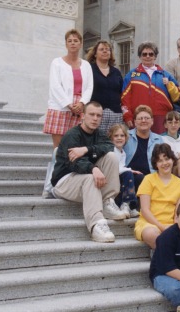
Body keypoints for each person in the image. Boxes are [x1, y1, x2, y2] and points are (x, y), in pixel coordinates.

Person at [51, 101, 127, 243]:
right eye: (91, 114)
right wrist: (93, 169)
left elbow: (109, 146)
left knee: (111, 157)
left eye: (98, 115)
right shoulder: (72, 135)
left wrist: (86, 149)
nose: (95, 118)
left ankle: (107, 202)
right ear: (83, 116)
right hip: (64, 180)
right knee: (90, 178)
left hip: (84, 176)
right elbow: (74, 163)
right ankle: (96, 224)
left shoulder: (99, 134)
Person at [43, 29, 93, 147]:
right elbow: (55, 86)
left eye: (75, 41)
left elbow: (89, 87)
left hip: (79, 108)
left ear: (80, 44)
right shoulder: (57, 63)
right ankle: (58, 166)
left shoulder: (86, 65)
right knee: (59, 147)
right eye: (69, 41)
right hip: (61, 107)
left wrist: (82, 103)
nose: (72, 43)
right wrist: (69, 104)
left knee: (76, 145)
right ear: (66, 44)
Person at [134, 142, 180, 250]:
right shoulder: (148, 179)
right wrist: (162, 227)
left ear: (172, 159)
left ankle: (160, 257)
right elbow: (145, 210)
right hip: (149, 223)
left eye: (167, 159)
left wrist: (174, 226)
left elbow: (179, 211)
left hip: (171, 224)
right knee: (152, 234)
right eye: (160, 160)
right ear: (155, 164)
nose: (164, 163)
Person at [121, 42, 180, 133]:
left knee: (160, 146)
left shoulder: (166, 75)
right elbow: (125, 98)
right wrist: (127, 115)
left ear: (155, 56)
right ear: (140, 56)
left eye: (151, 54)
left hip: (161, 117)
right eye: (144, 54)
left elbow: (176, 96)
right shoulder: (131, 75)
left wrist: (169, 85)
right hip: (139, 117)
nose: (148, 56)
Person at [123, 105, 164, 192]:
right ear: (135, 122)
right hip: (130, 176)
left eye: (146, 118)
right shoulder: (126, 136)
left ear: (152, 121)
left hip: (152, 176)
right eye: (140, 118)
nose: (143, 120)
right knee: (141, 179)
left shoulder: (159, 139)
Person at [86, 39, 123, 133]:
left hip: (115, 114)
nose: (105, 51)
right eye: (101, 49)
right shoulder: (89, 69)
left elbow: (121, 92)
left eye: (107, 49)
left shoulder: (116, 72)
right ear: (95, 53)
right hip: (96, 113)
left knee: (113, 142)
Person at [107, 121, 139, 218]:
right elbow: (115, 168)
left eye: (122, 135)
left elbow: (121, 166)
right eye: (116, 136)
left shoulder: (122, 152)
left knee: (132, 175)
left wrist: (129, 170)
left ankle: (130, 206)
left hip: (118, 175)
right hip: (110, 177)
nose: (119, 138)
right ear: (111, 138)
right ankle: (126, 204)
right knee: (128, 174)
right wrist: (129, 170)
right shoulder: (112, 150)